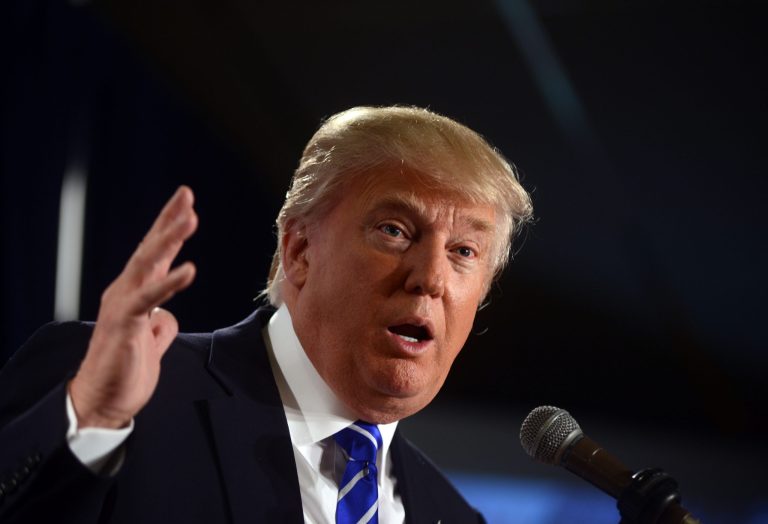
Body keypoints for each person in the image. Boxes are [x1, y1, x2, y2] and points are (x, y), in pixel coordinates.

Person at [0, 106, 532, 523]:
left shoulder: (453, 515)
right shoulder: (114, 390)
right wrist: (88, 422)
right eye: (394, 231)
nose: (431, 278)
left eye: (464, 251)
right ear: (299, 250)